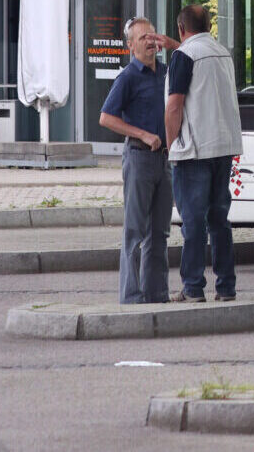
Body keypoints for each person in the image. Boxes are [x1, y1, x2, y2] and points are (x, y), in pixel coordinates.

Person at [155, 5, 241, 303]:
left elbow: (174, 105)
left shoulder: (183, 57)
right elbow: (199, 64)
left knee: (193, 221)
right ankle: (226, 287)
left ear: (181, 28)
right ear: (208, 25)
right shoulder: (222, 53)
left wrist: (170, 144)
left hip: (193, 151)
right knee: (220, 219)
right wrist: (175, 46)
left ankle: (192, 287)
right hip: (223, 148)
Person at [98, 17, 171, 304]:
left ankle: (157, 294)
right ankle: (131, 296)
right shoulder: (128, 77)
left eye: (152, 36)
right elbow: (106, 118)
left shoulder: (166, 73)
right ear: (131, 46)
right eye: (143, 38)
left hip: (164, 160)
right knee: (135, 231)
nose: (150, 42)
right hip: (139, 157)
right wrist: (143, 133)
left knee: (160, 232)